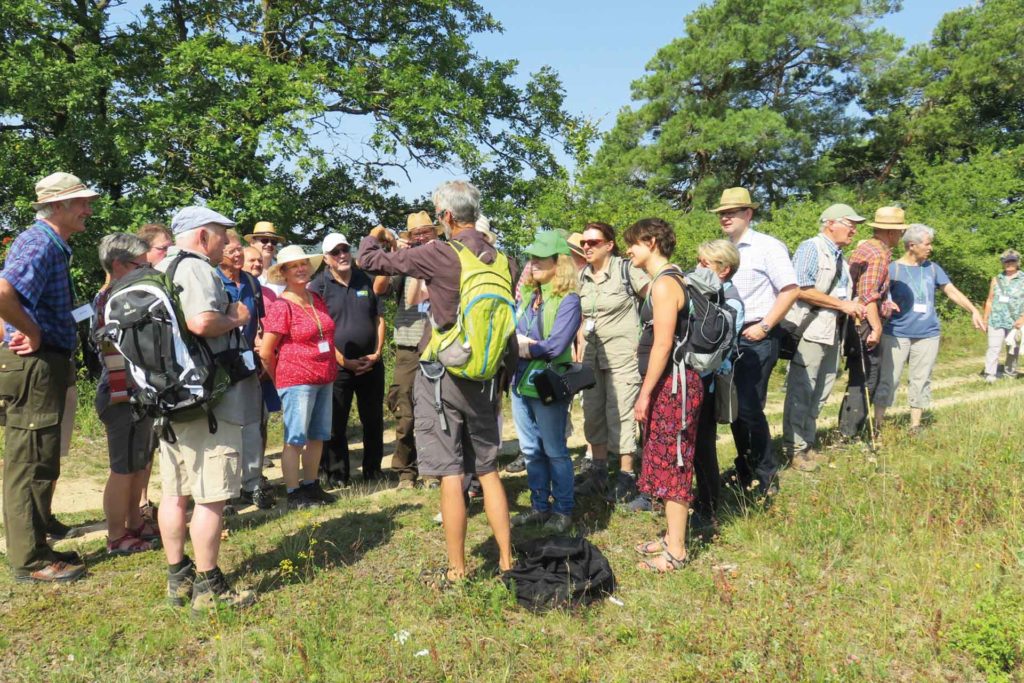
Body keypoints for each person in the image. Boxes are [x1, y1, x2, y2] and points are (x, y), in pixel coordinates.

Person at [358, 180, 515, 586]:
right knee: (487, 469)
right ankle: (506, 560)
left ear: (445, 217)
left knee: (449, 472)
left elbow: (371, 262)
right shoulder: (503, 259)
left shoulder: (441, 253)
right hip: (485, 375)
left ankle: (457, 570)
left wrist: (375, 235)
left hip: (442, 373)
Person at [156, 206, 257, 613]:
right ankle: (210, 584)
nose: (227, 243)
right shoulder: (195, 268)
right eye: (221, 234)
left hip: (169, 396)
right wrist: (235, 318)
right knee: (211, 496)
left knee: (174, 492)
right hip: (207, 401)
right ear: (202, 237)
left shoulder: (159, 266)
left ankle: (177, 575)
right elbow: (201, 322)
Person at [0, 172, 97, 583]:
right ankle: (28, 561)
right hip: (36, 364)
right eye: (81, 202)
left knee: (41, 460)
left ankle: (38, 547)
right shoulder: (39, 242)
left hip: (42, 363)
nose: (88, 209)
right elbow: (3, 293)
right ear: (56, 206)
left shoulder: (53, 245)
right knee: (28, 462)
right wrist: (31, 332)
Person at [626, 218, 704, 572]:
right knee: (664, 457)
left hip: (674, 386)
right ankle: (671, 535)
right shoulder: (667, 279)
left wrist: (644, 394)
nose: (629, 250)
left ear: (652, 242)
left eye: (634, 244)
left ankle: (676, 552)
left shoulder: (664, 285)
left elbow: (662, 344)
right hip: (670, 385)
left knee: (674, 462)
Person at [714, 187, 798, 496]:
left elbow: (790, 289)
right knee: (732, 408)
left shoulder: (767, 246)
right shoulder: (722, 249)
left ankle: (766, 475)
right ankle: (745, 467)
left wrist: (765, 326)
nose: (726, 216)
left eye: (732, 211)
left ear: (748, 214)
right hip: (727, 338)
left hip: (756, 335)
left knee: (749, 407)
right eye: (722, 212)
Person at [875, 224, 986, 433]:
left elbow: (951, 291)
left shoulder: (933, 268)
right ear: (911, 245)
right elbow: (877, 295)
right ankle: (878, 425)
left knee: (921, 379)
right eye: (927, 244)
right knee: (889, 378)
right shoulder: (893, 269)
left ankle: (915, 425)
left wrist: (972, 309)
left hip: (928, 334)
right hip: (896, 334)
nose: (930, 248)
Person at [781, 204, 866, 471]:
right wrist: (843, 305)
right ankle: (793, 450)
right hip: (812, 331)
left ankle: (807, 444)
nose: (854, 229)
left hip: (832, 333)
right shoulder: (811, 248)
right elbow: (799, 289)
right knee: (802, 390)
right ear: (830, 223)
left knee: (821, 391)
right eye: (849, 223)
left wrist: (854, 304)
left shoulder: (841, 256)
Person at [509, 231, 582, 534]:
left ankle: (563, 510)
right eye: (532, 257)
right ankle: (540, 507)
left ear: (559, 262)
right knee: (530, 450)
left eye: (540, 258)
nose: (533, 263)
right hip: (519, 383)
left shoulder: (569, 300)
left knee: (554, 449)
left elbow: (555, 345)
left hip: (548, 383)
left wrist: (524, 347)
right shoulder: (527, 296)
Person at [93, 234, 160, 555]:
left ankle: (135, 523)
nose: (147, 271)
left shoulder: (127, 293)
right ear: (119, 265)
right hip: (121, 394)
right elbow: (110, 349)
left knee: (139, 463)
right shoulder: (109, 299)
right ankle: (116, 536)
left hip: (138, 392)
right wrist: (124, 392)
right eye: (140, 265)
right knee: (123, 467)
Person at [575, 221, 650, 503]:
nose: (586, 247)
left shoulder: (626, 269)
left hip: (623, 356)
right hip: (592, 358)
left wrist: (648, 343)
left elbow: (655, 297)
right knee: (593, 414)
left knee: (621, 414)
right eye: (584, 242)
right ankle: (598, 473)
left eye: (593, 242)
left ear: (609, 245)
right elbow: (581, 316)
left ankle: (626, 475)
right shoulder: (582, 275)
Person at [309, 233, 386, 487]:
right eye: (335, 252)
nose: (342, 255)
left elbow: (380, 318)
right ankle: (338, 475)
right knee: (335, 423)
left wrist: (377, 353)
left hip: (371, 364)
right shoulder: (317, 287)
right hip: (337, 366)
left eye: (345, 249)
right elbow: (318, 330)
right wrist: (343, 360)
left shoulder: (367, 279)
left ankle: (373, 470)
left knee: (373, 420)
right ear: (326, 259)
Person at [837, 207, 907, 440]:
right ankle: (848, 434)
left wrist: (887, 304)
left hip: (854, 318)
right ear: (890, 232)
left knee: (859, 374)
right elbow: (867, 295)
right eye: (900, 230)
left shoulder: (866, 246)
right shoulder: (879, 253)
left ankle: (847, 430)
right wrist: (877, 327)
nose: (902, 235)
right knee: (867, 375)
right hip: (864, 321)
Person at [218, 230, 274, 510]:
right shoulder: (212, 280)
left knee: (253, 423)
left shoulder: (251, 282)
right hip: (221, 364)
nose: (238, 254)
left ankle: (252, 484)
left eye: (240, 249)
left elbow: (261, 321)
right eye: (232, 250)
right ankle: (225, 492)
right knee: (226, 426)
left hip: (250, 363)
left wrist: (261, 344)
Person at [690, 239, 744, 528]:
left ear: (723, 270)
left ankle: (709, 507)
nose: (697, 267)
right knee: (695, 445)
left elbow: (719, 348)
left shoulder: (729, 301)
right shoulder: (704, 293)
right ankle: (698, 500)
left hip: (708, 384)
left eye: (705, 263)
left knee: (704, 447)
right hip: (696, 380)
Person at [389, 211, 444, 489]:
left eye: (426, 232)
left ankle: (433, 470)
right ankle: (406, 472)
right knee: (405, 409)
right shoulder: (404, 262)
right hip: (409, 343)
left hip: (440, 343)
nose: (422, 237)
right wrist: (396, 255)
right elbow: (379, 289)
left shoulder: (447, 258)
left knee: (437, 408)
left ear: (437, 233)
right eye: (416, 234)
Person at [135, 222, 174, 524]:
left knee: (160, 442)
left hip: (164, 379)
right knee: (144, 446)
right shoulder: (133, 291)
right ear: (146, 252)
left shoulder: (163, 283)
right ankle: (141, 504)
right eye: (163, 248)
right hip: (139, 383)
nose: (169, 253)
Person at [982, 249, 1024, 381]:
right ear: (1003, 263)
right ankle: (990, 374)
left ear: (1018, 262)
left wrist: (1022, 318)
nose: (1009, 263)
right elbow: (989, 300)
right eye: (1006, 261)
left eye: (1012, 261)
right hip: (996, 320)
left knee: (1013, 349)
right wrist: (985, 318)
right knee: (993, 347)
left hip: (1015, 322)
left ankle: (1009, 373)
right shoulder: (996, 279)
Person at [245, 221, 286, 295]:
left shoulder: (283, 270)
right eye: (264, 240)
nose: (269, 244)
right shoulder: (243, 268)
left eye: (273, 242)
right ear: (252, 243)